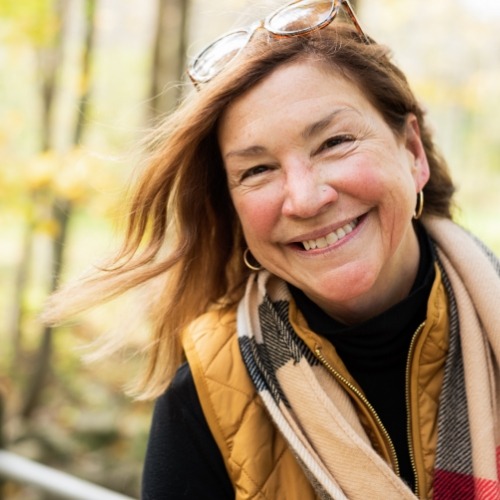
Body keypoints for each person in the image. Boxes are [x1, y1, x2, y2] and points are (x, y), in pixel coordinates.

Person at [45, 0, 500, 498]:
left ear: (411, 152)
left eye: (334, 142)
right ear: (235, 211)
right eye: (257, 170)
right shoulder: (204, 398)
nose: (304, 199)